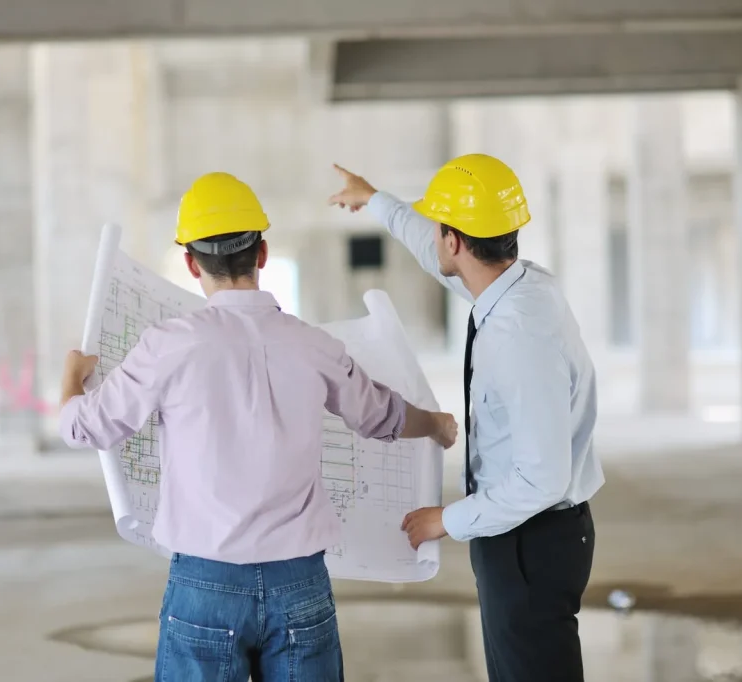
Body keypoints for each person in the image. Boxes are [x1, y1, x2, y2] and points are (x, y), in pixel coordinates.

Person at [58, 171, 458, 682]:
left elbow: (85, 429)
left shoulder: (168, 346)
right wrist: (436, 425)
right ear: (262, 254)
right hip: (301, 583)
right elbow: (384, 414)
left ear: (189, 261)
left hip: (205, 585)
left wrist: (71, 380)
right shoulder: (312, 346)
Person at [329, 155, 604, 682]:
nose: (434, 238)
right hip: (531, 536)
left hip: (530, 538)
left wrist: (447, 520)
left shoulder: (515, 335)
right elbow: (434, 256)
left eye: (439, 229)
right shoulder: (518, 287)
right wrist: (376, 200)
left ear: (454, 240)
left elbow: (542, 478)